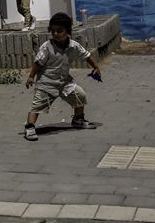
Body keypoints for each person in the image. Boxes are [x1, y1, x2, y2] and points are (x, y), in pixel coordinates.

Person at [23, 12, 101, 141]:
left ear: (68, 31)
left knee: (80, 95)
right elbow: (38, 63)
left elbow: (86, 55)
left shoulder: (74, 46)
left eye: (60, 31)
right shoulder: (47, 47)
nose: (56, 34)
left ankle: (78, 119)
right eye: (53, 31)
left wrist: (96, 67)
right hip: (46, 83)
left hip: (65, 82)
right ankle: (29, 127)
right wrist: (31, 77)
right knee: (37, 106)